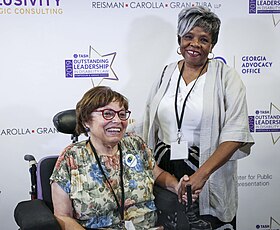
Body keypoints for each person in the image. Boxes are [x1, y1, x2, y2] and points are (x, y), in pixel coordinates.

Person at [143, 6, 254, 230]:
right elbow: (148, 122)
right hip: (165, 170)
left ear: (212, 45)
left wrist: (201, 176)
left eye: (204, 39)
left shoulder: (226, 77)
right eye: (188, 37)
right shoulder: (166, 73)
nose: (195, 44)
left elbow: (236, 132)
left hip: (207, 170)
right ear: (179, 39)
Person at [50, 86, 190, 230]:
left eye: (122, 114)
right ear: (86, 121)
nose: (118, 120)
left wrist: (176, 186)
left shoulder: (135, 144)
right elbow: (63, 216)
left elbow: (158, 174)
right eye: (108, 114)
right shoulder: (70, 158)